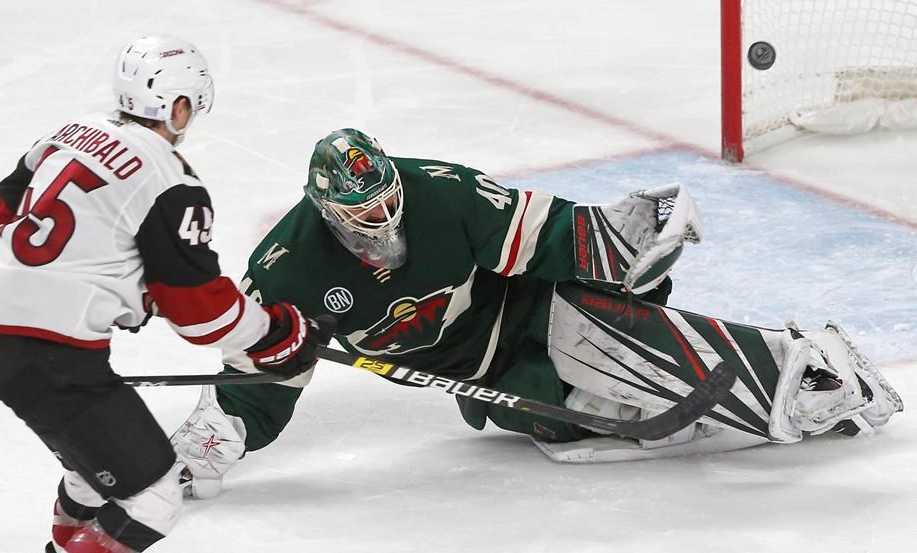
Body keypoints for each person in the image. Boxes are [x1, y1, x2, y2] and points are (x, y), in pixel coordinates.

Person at [171, 127, 902, 498]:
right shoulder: (287, 267)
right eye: (362, 214)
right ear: (325, 210)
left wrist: (613, 241)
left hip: (532, 304)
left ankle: (800, 379)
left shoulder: (442, 192)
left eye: (388, 202)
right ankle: (710, 403)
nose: (383, 221)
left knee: (602, 336)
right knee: (570, 416)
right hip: (481, 373)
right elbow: (265, 361)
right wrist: (223, 429)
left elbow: (539, 231)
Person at [0, 35, 330, 553]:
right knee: (154, 493)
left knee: (93, 471)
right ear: (180, 107)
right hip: (53, 356)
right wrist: (278, 336)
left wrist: (113, 280)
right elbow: (203, 315)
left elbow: (5, 211)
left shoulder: (65, 134)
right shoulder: (170, 179)